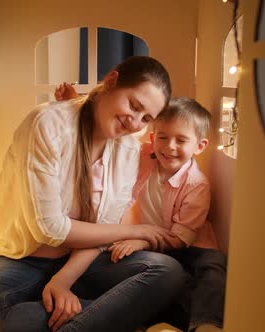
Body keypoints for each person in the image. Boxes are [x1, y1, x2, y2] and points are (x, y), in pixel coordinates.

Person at [0, 56, 185, 332]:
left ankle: (79, 318)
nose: (135, 123)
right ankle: (101, 315)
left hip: (82, 262)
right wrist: (139, 230)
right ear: (111, 82)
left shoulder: (128, 149)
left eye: (146, 118)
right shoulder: (47, 123)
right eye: (134, 105)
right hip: (20, 259)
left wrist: (63, 281)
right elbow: (51, 228)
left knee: (167, 271)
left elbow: (102, 226)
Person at [109, 97, 227, 332]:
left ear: (200, 146)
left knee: (213, 267)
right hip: (150, 244)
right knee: (151, 276)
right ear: (152, 139)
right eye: (162, 137)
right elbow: (114, 140)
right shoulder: (144, 157)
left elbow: (180, 238)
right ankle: (162, 317)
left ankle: (206, 324)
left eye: (181, 140)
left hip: (190, 245)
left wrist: (142, 241)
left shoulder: (196, 184)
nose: (169, 146)